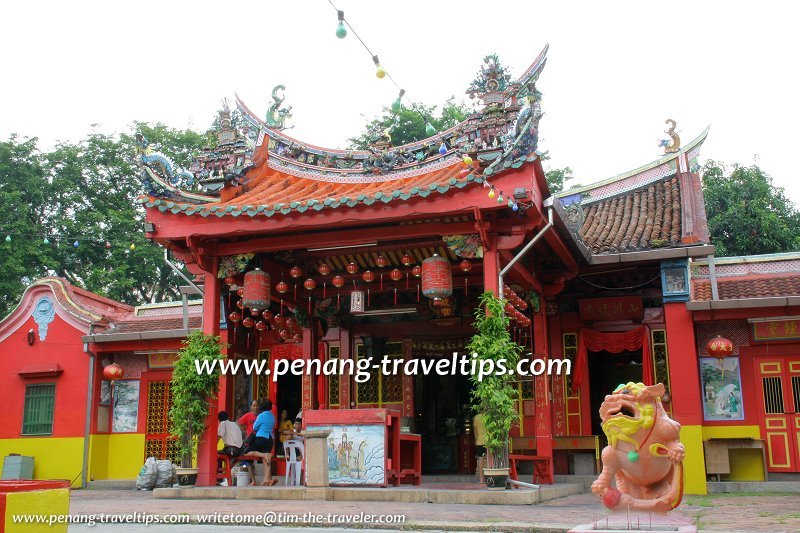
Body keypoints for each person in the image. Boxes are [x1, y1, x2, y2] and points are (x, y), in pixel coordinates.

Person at [251, 399, 278, 486]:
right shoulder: (272, 416)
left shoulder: (261, 416)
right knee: (265, 459)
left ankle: (264, 455)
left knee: (247, 452)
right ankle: (267, 479)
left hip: (261, 438)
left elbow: (254, 427)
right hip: (270, 439)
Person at [236, 400, 258, 485]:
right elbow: (238, 423)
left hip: (259, 439)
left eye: (257, 406)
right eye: (254, 406)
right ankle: (253, 480)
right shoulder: (248, 416)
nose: (255, 408)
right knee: (249, 461)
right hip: (250, 440)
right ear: (251, 407)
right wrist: (244, 431)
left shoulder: (260, 416)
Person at [473, 412, 487, 483]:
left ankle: (481, 479)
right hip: (489, 441)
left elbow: (475, 431)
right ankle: (490, 476)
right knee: (490, 459)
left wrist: (476, 439)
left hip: (480, 441)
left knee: (480, 459)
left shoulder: (477, 417)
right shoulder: (489, 416)